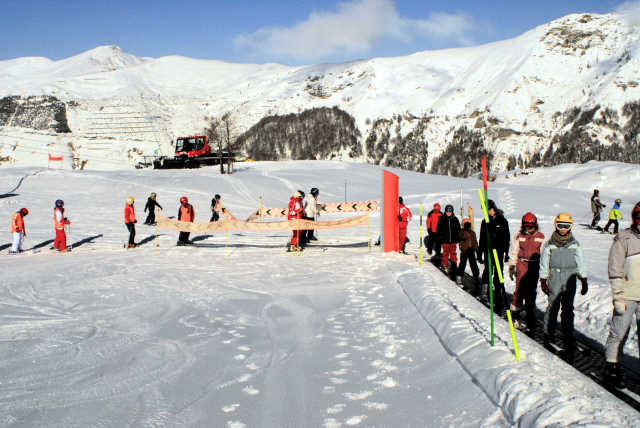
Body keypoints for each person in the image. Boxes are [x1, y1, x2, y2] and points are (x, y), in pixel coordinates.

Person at [539, 213, 588, 361]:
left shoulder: (575, 244)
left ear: (570, 227)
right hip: (555, 276)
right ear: (556, 225)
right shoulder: (550, 244)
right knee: (552, 306)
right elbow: (544, 263)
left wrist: (583, 279)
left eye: (566, 226)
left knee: (568, 308)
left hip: (569, 278)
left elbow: (580, 262)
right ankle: (548, 333)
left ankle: (568, 334)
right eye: (560, 226)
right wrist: (543, 279)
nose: (563, 229)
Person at [603, 202, 640, 389]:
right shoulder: (624, 238)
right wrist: (618, 295)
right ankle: (612, 367)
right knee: (619, 332)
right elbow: (615, 268)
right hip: (627, 294)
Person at [508, 212, 545, 332]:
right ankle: (515, 313)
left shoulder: (541, 237)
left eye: (531, 227)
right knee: (519, 289)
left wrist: (546, 269)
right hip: (522, 264)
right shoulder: (519, 236)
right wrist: (512, 265)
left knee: (531, 291)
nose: (529, 229)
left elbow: (545, 254)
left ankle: (530, 314)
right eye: (526, 227)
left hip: (534, 265)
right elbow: (514, 251)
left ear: (535, 225)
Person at [479, 199, 511, 314]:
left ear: (493, 209)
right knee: (488, 271)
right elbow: (482, 238)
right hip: (488, 251)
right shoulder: (484, 221)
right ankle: (485, 292)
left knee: (498, 275)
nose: (488, 212)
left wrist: (506, 252)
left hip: (499, 251)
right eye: (485, 211)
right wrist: (479, 252)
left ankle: (498, 298)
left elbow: (506, 237)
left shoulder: (502, 221)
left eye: (488, 210)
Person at [437, 204, 461, 277]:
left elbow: (458, 229)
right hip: (445, 240)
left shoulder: (455, 219)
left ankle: (454, 265)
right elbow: (439, 229)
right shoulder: (442, 219)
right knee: (445, 253)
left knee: (453, 253)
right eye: (447, 212)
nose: (449, 213)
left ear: (452, 212)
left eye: (450, 212)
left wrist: (458, 237)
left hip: (453, 240)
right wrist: (440, 237)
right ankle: (444, 265)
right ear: (445, 211)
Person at [457, 218, 480, 286]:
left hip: (471, 250)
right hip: (464, 250)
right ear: (463, 225)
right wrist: (464, 233)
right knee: (462, 264)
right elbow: (459, 238)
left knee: (473, 264)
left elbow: (475, 242)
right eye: (466, 224)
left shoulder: (472, 233)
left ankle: (476, 276)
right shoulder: (461, 232)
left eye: (469, 224)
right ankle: (459, 276)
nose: (468, 225)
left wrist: (477, 250)